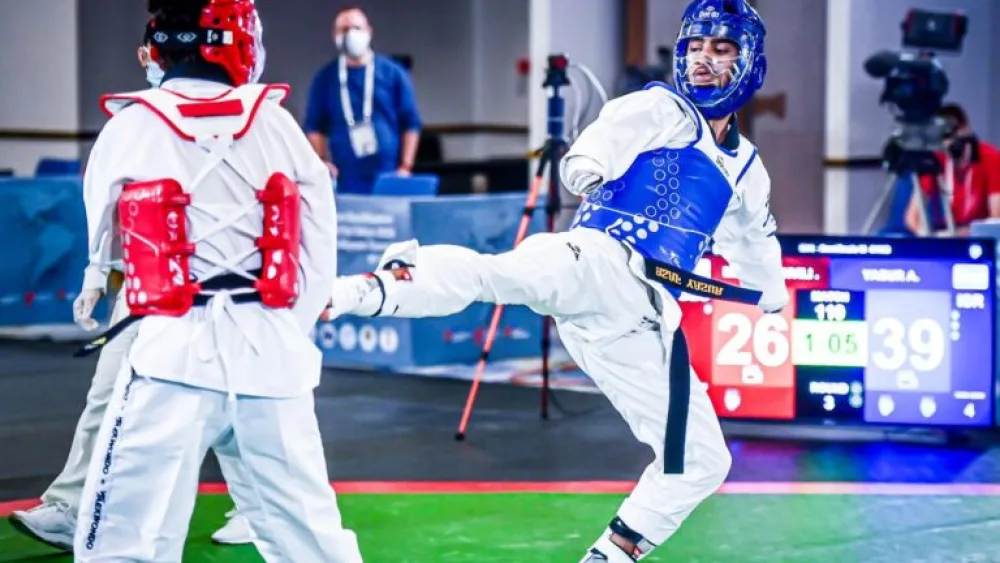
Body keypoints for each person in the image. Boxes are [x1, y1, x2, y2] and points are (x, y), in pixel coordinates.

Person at [326, 1, 786, 561]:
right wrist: (584, 165)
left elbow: (753, 241)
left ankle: (609, 554)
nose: (703, 61)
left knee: (703, 458)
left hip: (643, 323)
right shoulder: (662, 108)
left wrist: (772, 294)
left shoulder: (746, 170)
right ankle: (357, 292)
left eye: (721, 49)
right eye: (695, 47)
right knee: (495, 273)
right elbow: (608, 135)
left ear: (751, 62)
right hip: (591, 259)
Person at [68, 1, 363, 561]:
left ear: (160, 48)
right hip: (271, 355)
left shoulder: (131, 126)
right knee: (310, 537)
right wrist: (283, 326)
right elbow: (318, 253)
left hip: (170, 355)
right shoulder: (278, 125)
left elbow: (103, 242)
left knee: (126, 538)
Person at [8, 32, 260, 552]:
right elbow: (112, 205)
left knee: (237, 405)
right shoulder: (137, 122)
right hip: (149, 284)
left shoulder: (257, 119)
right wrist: (97, 273)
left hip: (226, 289)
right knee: (108, 391)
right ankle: (73, 504)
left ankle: (256, 507)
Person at [304, 6, 422, 194]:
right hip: (345, 176)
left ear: (368, 32)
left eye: (357, 28)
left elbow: (411, 123)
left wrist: (405, 167)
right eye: (344, 29)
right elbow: (314, 126)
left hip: (388, 173)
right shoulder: (325, 78)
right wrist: (323, 162)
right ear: (335, 35)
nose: (351, 34)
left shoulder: (393, 73)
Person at [904, 103, 1000, 236]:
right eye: (943, 137)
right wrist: (930, 237)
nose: (948, 143)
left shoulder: (991, 157)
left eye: (951, 134)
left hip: (978, 235)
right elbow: (912, 218)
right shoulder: (937, 158)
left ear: (966, 129)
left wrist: (961, 234)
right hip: (948, 233)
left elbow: (996, 219)